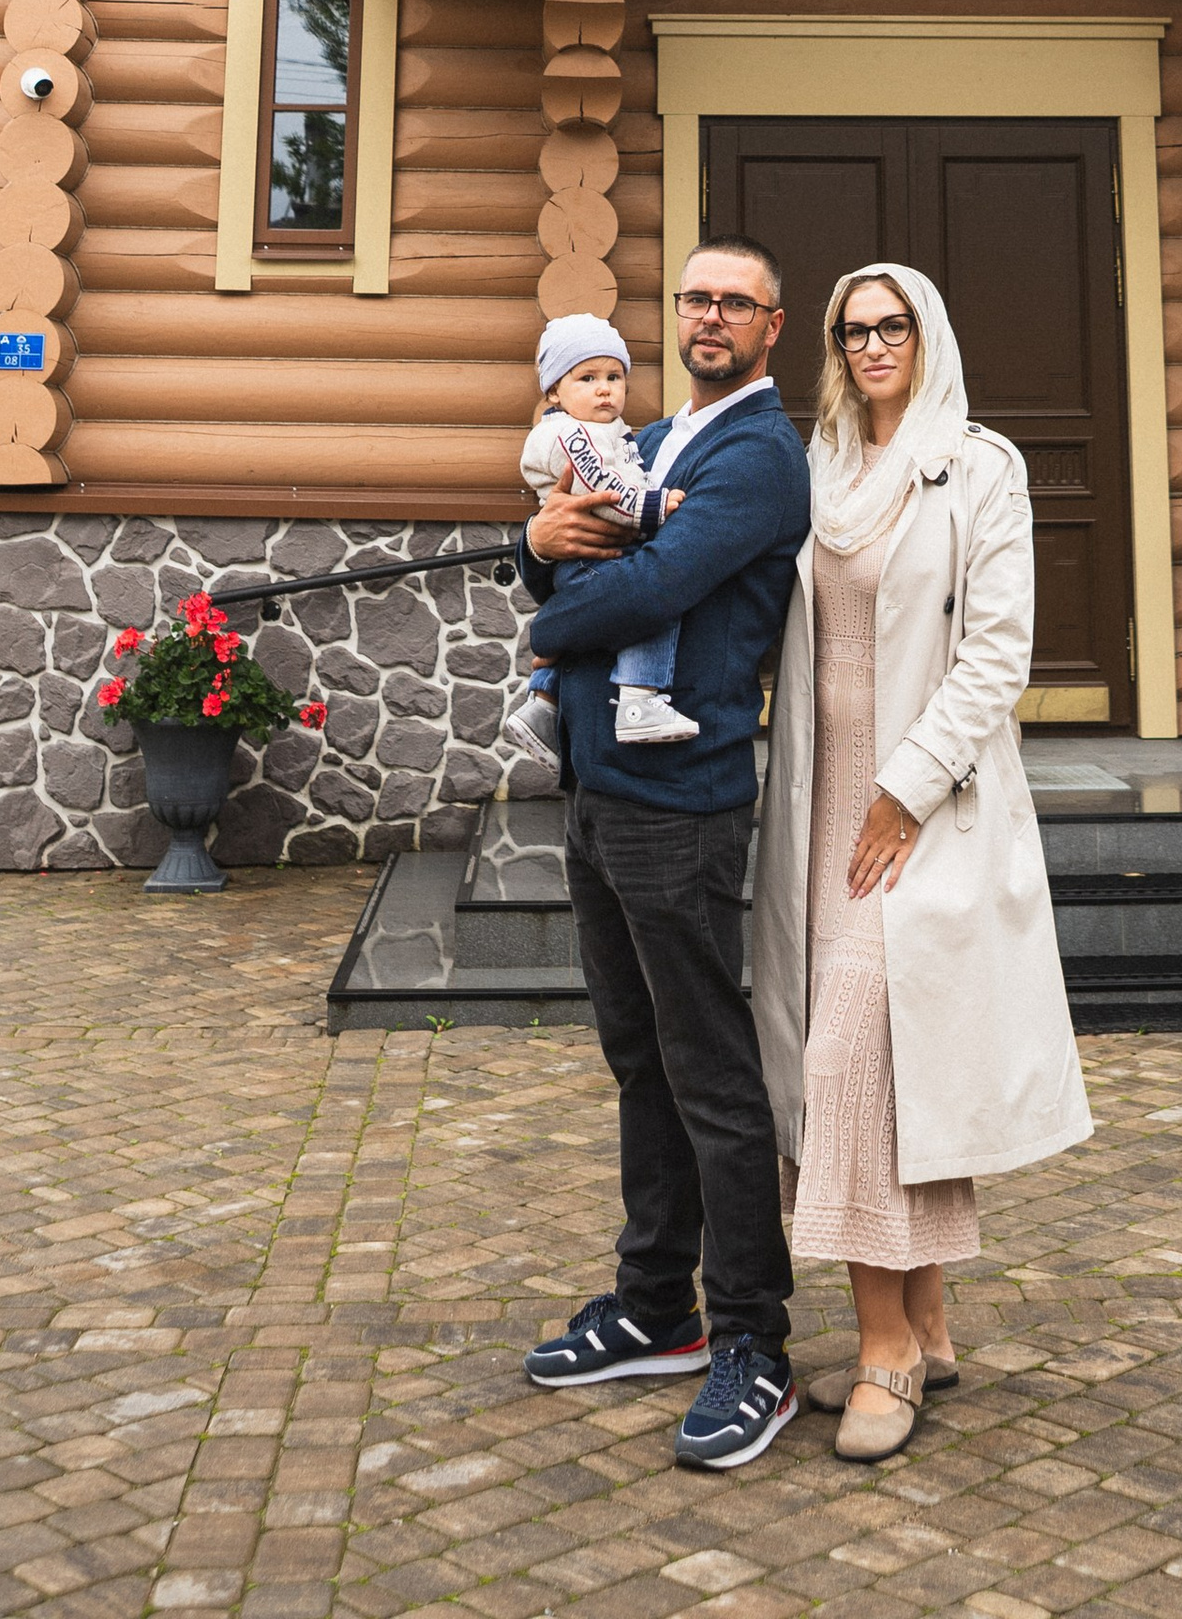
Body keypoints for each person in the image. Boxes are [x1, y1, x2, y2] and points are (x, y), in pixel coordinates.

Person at [751, 260, 1091, 1464]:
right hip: (815, 798)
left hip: (919, 807)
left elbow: (1000, 656)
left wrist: (904, 788)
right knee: (866, 1066)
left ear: (927, 333)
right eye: (853, 331)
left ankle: (883, 1346)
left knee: (856, 1063)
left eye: (891, 326)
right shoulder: (818, 471)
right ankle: (932, 1324)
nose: (872, 345)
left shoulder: (979, 469)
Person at [519, 241, 813, 1474]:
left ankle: (755, 1339)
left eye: (734, 301)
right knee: (638, 1056)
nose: (709, 316)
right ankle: (657, 1308)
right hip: (598, 781)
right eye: (694, 298)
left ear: (771, 325)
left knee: (708, 1070)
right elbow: (571, 546)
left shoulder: (758, 456)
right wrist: (542, 537)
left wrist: (547, 593)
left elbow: (646, 590)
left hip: (680, 798)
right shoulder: (655, 437)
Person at [504, 312, 695, 760]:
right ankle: (638, 701)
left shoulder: (610, 431)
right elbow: (598, 488)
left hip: (592, 552)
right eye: (586, 378)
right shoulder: (567, 433)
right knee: (648, 606)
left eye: (614, 376)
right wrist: (653, 506)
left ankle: (542, 703)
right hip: (591, 557)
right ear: (554, 390)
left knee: (590, 621)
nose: (604, 388)